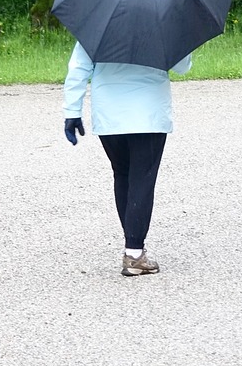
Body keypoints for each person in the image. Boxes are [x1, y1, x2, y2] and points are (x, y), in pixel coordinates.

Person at [62, 43, 192, 277]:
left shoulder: (99, 21)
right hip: (149, 115)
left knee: (122, 174)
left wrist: (72, 111)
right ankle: (134, 252)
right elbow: (182, 66)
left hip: (109, 117)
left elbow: (79, 67)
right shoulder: (163, 23)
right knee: (142, 179)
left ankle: (133, 246)